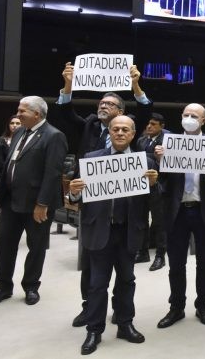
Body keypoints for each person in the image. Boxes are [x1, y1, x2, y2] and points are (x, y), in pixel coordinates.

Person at [55, 61, 154, 327]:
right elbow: (65, 113)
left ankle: (123, 319)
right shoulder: (88, 126)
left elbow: (146, 109)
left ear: (124, 116)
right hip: (95, 213)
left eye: (109, 104)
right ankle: (90, 311)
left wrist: (135, 84)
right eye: (101, 103)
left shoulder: (133, 136)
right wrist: (68, 84)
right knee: (92, 271)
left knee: (125, 277)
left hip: (125, 218)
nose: (102, 106)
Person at [67, 115, 158, 355]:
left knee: (127, 281)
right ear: (109, 132)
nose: (119, 133)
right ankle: (94, 330)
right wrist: (73, 193)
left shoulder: (146, 162)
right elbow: (77, 197)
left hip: (129, 232)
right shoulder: (91, 159)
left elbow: (157, 199)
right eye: (115, 129)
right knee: (97, 284)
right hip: (100, 230)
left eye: (125, 129)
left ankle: (125, 324)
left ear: (133, 133)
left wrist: (154, 184)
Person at [0, 96, 68, 307]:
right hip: (11, 200)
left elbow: (52, 173)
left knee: (36, 246)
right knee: (4, 244)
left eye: (22, 111)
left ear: (37, 114)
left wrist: (42, 203)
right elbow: (8, 167)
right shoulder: (20, 131)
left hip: (36, 205)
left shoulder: (54, 136)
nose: (18, 115)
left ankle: (31, 286)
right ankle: (3, 286)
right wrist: (0, 195)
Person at [154, 103, 205, 328]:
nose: (189, 118)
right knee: (176, 264)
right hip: (176, 211)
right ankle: (176, 307)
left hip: (203, 209)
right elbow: (161, 180)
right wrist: (160, 161)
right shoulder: (168, 143)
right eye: (186, 114)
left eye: (194, 115)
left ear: (203, 120)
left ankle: (202, 306)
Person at [135, 112, 168, 270]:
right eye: (148, 123)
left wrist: (160, 158)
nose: (149, 126)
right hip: (141, 186)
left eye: (153, 124)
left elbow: (172, 166)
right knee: (141, 219)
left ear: (162, 127)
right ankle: (143, 252)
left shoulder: (167, 142)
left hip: (159, 187)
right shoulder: (141, 140)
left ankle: (160, 256)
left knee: (159, 222)